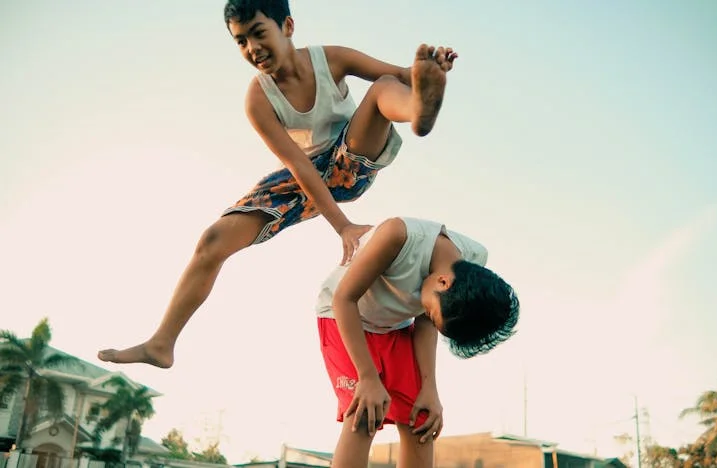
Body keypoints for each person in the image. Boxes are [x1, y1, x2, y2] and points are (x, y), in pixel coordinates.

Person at [97, 0, 458, 368]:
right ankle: (161, 344)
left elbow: (400, 73)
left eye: (258, 33)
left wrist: (428, 71)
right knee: (212, 240)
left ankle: (416, 111)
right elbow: (298, 164)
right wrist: (342, 226)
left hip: (353, 158)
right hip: (305, 174)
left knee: (383, 87)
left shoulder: (331, 60)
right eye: (241, 41)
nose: (252, 48)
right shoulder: (258, 99)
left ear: (287, 26)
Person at [316, 216, 519, 468]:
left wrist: (429, 388)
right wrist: (367, 377)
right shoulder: (398, 235)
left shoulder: (472, 265)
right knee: (366, 412)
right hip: (346, 315)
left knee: (422, 416)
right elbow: (344, 299)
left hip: (396, 325)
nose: (428, 313)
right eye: (433, 313)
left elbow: (424, 323)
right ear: (443, 282)